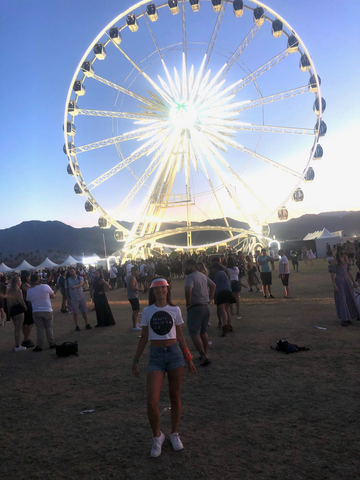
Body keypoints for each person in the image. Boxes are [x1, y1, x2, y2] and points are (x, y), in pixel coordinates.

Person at [132, 277, 196, 458]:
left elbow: (181, 336)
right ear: (152, 292)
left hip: (175, 355)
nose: (160, 291)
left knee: (175, 395)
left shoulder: (175, 309)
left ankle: (174, 433)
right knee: (152, 401)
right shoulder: (147, 311)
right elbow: (144, 337)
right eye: (157, 289)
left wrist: (188, 357)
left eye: (163, 288)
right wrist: (135, 360)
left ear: (167, 290)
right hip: (156, 357)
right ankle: (157, 435)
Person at [184, 259, 215, 366]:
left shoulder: (190, 277)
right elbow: (213, 285)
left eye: (187, 266)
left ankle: (204, 355)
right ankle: (204, 354)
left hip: (195, 307)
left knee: (194, 332)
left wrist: (188, 303)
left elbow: (188, 290)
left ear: (191, 266)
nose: (186, 268)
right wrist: (210, 298)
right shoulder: (202, 275)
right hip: (205, 306)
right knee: (203, 331)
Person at [26, 274, 56, 352]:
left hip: (36, 310)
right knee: (49, 328)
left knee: (40, 329)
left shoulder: (29, 290)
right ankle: (51, 343)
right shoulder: (45, 286)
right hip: (47, 309)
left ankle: (40, 345)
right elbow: (53, 296)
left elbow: (28, 299)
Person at [328, 252, 359, 327]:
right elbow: (332, 274)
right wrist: (334, 285)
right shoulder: (334, 261)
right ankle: (344, 319)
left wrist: (353, 282)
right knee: (342, 300)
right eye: (344, 254)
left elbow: (349, 272)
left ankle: (349, 317)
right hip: (339, 282)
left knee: (349, 298)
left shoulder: (345, 261)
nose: (345, 256)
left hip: (346, 282)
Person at [213, 263, 235, 337]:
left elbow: (214, 284)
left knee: (222, 310)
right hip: (228, 291)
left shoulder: (218, 273)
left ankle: (225, 325)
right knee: (227, 310)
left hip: (221, 292)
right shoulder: (224, 273)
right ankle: (229, 325)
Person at [67, 267, 92, 331]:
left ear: (75, 271)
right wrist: (68, 298)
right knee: (75, 313)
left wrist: (75, 286)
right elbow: (66, 289)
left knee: (84, 311)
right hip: (73, 298)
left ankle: (87, 323)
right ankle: (77, 325)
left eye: (72, 271)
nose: (71, 273)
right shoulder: (68, 280)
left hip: (81, 297)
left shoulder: (80, 277)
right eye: (70, 272)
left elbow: (81, 284)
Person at [7, 276, 27, 352]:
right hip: (18, 310)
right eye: (20, 281)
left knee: (16, 329)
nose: (21, 282)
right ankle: (18, 345)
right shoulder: (19, 291)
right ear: (17, 282)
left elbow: (8, 302)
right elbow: (21, 300)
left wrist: (9, 312)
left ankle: (17, 345)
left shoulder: (9, 291)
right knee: (18, 329)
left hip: (12, 310)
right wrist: (25, 307)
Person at [20, 271, 35, 348]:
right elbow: (30, 291)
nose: (29, 278)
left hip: (24, 304)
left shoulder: (21, 284)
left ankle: (27, 338)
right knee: (30, 322)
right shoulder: (25, 285)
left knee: (25, 323)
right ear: (26, 277)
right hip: (27, 304)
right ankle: (25, 339)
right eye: (29, 276)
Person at [127, 266, 142, 331]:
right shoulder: (132, 278)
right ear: (134, 271)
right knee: (135, 310)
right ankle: (134, 326)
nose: (138, 272)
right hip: (133, 296)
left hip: (133, 296)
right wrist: (140, 290)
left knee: (137, 309)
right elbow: (133, 287)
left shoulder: (131, 277)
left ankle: (135, 323)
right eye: (137, 271)